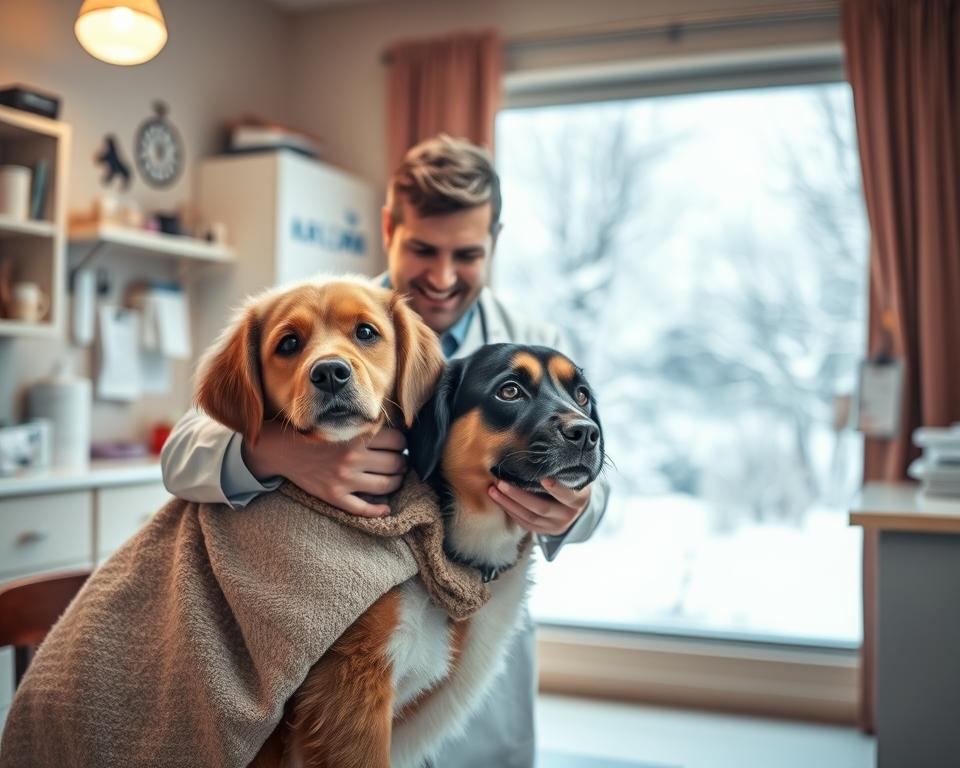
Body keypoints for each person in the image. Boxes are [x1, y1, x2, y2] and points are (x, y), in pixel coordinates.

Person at [161, 134, 610, 767]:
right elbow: (184, 449)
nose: (444, 275)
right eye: (423, 248)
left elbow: (593, 473)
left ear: (494, 243)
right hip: (359, 645)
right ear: (389, 228)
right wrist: (285, 455)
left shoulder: (534, 341)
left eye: (468, 254)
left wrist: (576, 507)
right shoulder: (331, 321)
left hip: (481, 624)